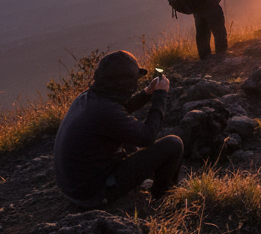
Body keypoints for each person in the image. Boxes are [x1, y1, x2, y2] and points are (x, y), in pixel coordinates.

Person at [53, 51, 183, 208]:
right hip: (93, 194)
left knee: (128, 135)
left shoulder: (88, 98)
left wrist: (147, 94)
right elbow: (148, 137)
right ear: (124, 85)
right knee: (173, 144)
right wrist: (160, 97)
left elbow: (120, 110)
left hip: (75, 187)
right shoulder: (106, 112)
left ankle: (142, 184)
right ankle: (161, 198)